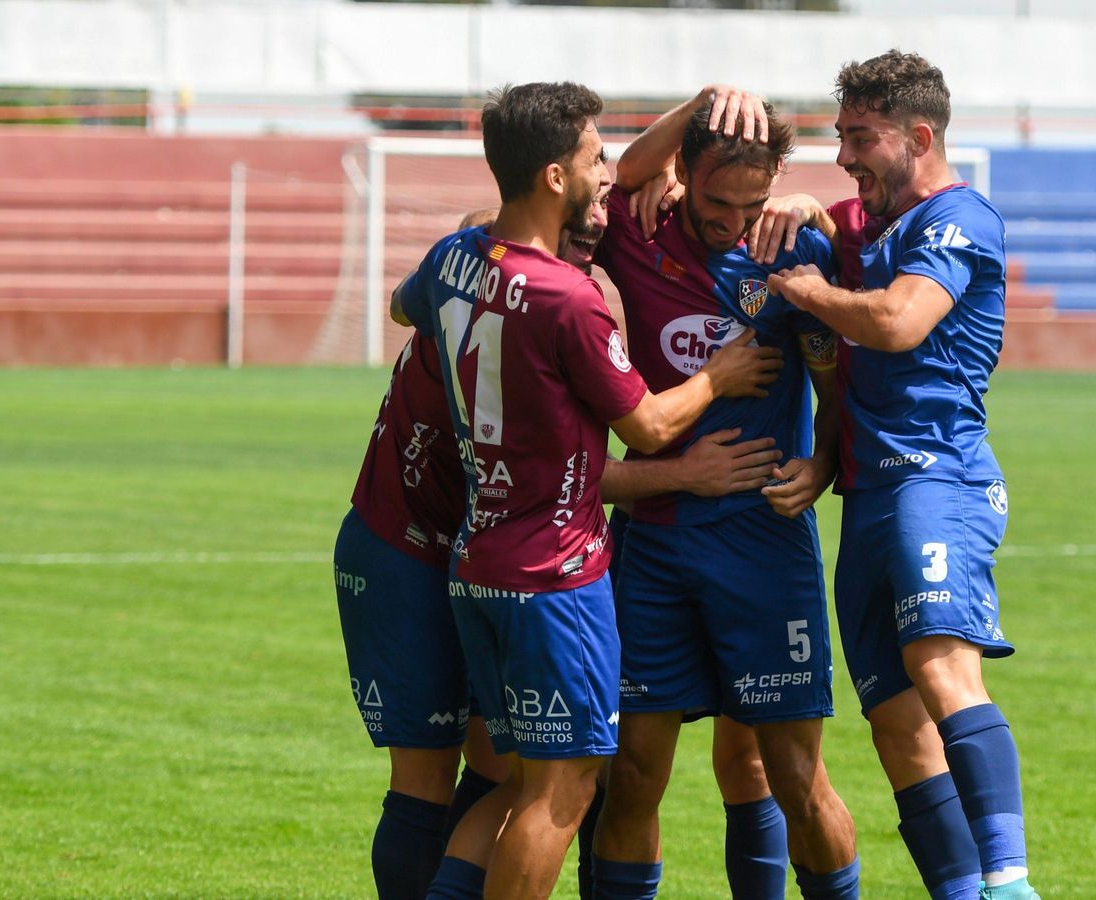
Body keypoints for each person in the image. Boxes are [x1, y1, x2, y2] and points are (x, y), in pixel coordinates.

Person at [393, 81, 781, 900]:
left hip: (478, 559)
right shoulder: (570, 298)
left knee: (512, 783)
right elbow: (648, 425)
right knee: (561, 791)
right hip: (554, 574)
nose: (608, 172)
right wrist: (718, 377)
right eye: (594, 158)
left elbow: (404, 308)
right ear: (554, 177)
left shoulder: (452, 259)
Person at [767, 51, 1042, 900]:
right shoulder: (871, 223)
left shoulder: (961, 219)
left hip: (937, 479)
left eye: (861, 137)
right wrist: (806, 209)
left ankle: (1009, 884)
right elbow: (837, 223)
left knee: (941, 669)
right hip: (868, 497)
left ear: (919, 138)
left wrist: (809, 292)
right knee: (895, 725)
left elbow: (895, 322)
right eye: (841, 135)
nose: (844, 154)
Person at [588, 86, 859, 900]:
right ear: (683, 173)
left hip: (763, 541)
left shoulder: (791, 250)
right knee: (633, 776)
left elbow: (835, 383)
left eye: (753, 201)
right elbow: (618, 174)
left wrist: (823, 463)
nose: (734, 222)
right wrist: (702, 98)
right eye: (716, 203)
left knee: (793, 776)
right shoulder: (636, 231)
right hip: (655, 544)